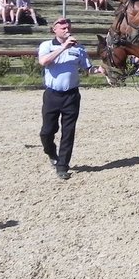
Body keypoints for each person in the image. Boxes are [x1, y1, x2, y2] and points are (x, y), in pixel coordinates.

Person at [38, 17, 103, 180]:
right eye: (63, 28)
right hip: (52, 95)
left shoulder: (79, 48)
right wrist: (64, 47)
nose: (67, 30)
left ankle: (62, 166)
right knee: (47, 132)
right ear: (55, 29)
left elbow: (89, 69)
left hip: (71, 96)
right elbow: (44, 61)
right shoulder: (46, 46)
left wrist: (101, 69)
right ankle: (51, 153)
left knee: (68, 132)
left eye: (68, 27)